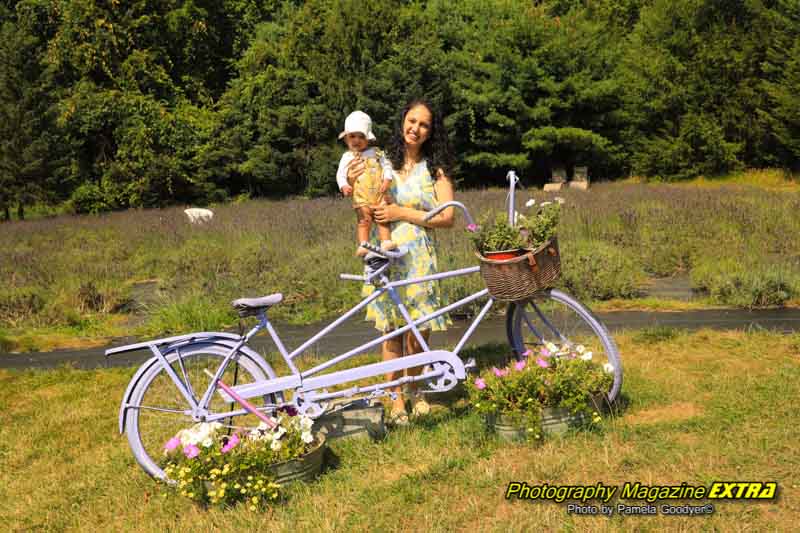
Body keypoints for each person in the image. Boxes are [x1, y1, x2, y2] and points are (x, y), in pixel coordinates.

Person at [345, 99, 456, 425]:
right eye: (411, 121)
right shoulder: (382, 162)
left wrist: (400, 213)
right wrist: (350, 181)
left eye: (423, 124)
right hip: (387, 253)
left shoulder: (436, 168)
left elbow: (448, 217)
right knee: (391, 331)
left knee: (417, 333)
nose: (415, 128)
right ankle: (395, 400)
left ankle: (416, 391)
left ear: (431, 131)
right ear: (401, 122)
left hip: (420, 258)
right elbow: (360, 192)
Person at [336, 110, 396, 257]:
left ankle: (386, 241)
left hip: (379, 194)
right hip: (361, 197)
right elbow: (340, 174)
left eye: (361, 136)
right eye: (352, 136)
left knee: (383, 219)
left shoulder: (376, 152)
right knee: (363, 221)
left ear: (368, 139)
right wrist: (344, 185)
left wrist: (387, 179)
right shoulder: (347, 157)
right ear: (346, 139)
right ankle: (364, 244)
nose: (356, 140)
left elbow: (387, 165)